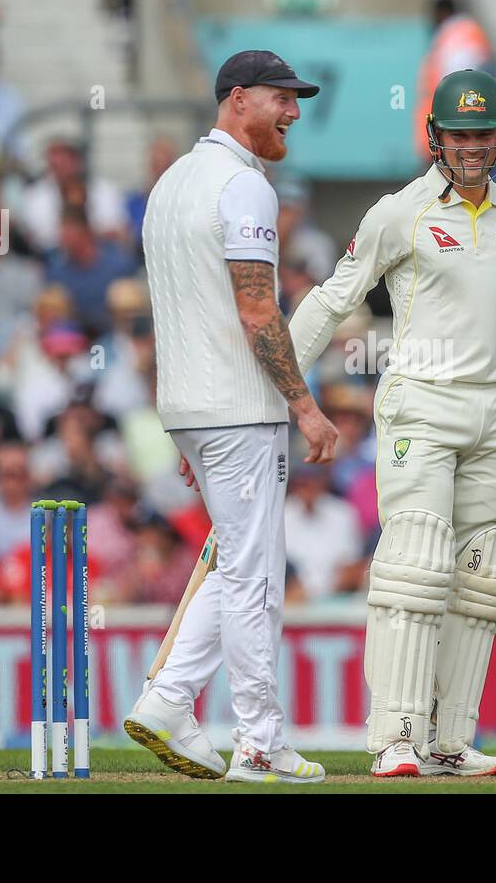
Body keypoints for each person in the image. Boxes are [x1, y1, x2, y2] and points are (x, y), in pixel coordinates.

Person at [287, 69, 496, 777]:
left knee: (479, 581)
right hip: (420, 400)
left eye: (484, 134)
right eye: (460, 134)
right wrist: (284, 384)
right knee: (414, 568)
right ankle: (393, 737)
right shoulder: (399, 213)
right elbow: (333, 298)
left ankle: (448, 741)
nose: (472, 146)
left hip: (491, 409)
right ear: (436, 137)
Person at [126, 50, 337, 785]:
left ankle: (169, 700)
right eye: (284, 99)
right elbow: (255, 310)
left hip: (191, 406)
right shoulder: (244, 187)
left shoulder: (167, 185)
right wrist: (305, 408)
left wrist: (194, 420)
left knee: (237, 565)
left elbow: (179, 312)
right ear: (238, 99)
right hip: (238, 411)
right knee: (253, 578)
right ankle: (258, 744)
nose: (295, 114)